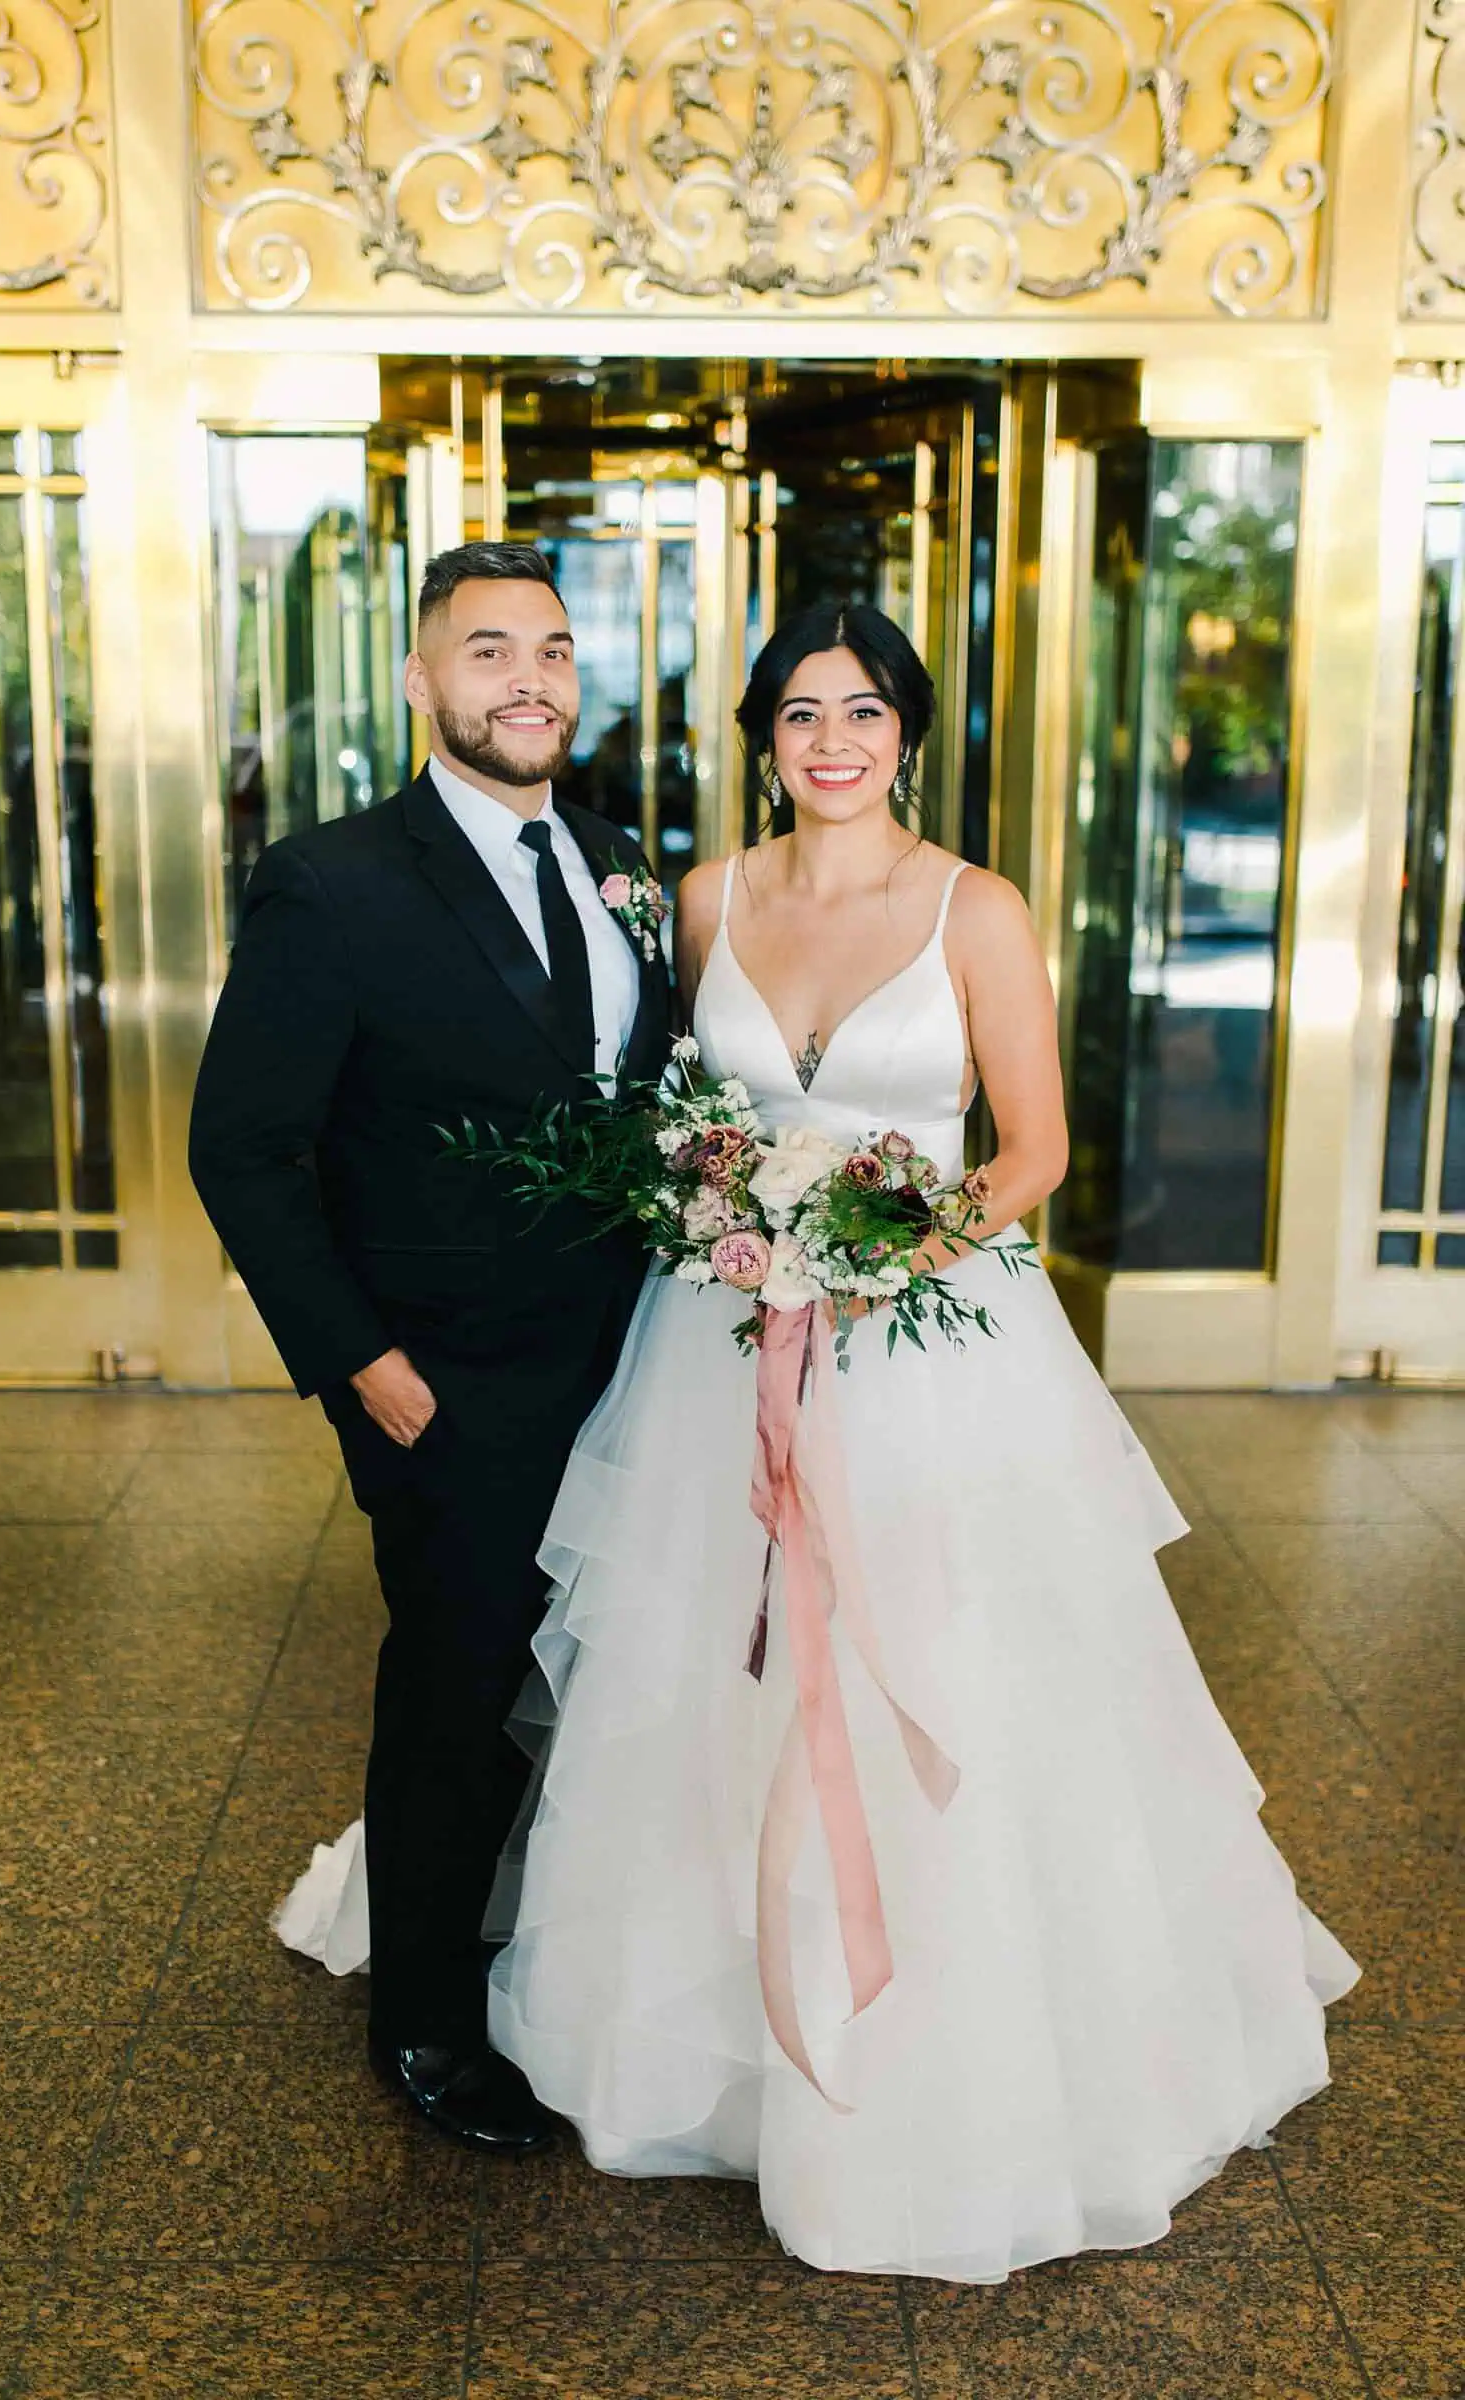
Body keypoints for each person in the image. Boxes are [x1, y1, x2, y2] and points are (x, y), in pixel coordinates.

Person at [483, 603, 1358, 2276]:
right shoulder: (708, 902)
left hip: (933, 1342)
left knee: (955, 1664)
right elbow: (693, 1118)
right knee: (706, 1675)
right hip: (722, 1342)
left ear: (908, 735)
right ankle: (713, 2047)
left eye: (865, 712)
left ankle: (959, 2053)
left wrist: (883, 1260)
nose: (833, 740)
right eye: (802, 710)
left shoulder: (978, 906)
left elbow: (1032, 1149)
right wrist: (739, 1222)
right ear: (760, 734)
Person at [188, 541, 672, 2157]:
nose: (526, 679)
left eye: (549, 650)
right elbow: (244, 1148)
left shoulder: (620, 863)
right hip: (442, 1382)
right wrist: (362, 1367)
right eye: (486, 653)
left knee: (592, 1676)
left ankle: (557, 1950)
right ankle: (425, 2024)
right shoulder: (335, 884)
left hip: (635, 1359)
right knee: (458, 1682)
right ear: (419, 680)